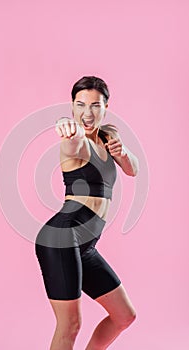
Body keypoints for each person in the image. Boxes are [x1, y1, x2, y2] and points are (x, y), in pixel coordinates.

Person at [35, 76, 139, 350]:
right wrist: (66, 129)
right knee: (70, 325)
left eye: (95, 105)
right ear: (72, 107)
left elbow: (132, 170)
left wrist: (124, 152)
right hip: (60, 238)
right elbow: (71, 140)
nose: (87, 113)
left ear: (106, 106)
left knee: (124, 316)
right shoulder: (76, 140)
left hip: (86, 246)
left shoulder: (109, 136)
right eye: (80, 105)